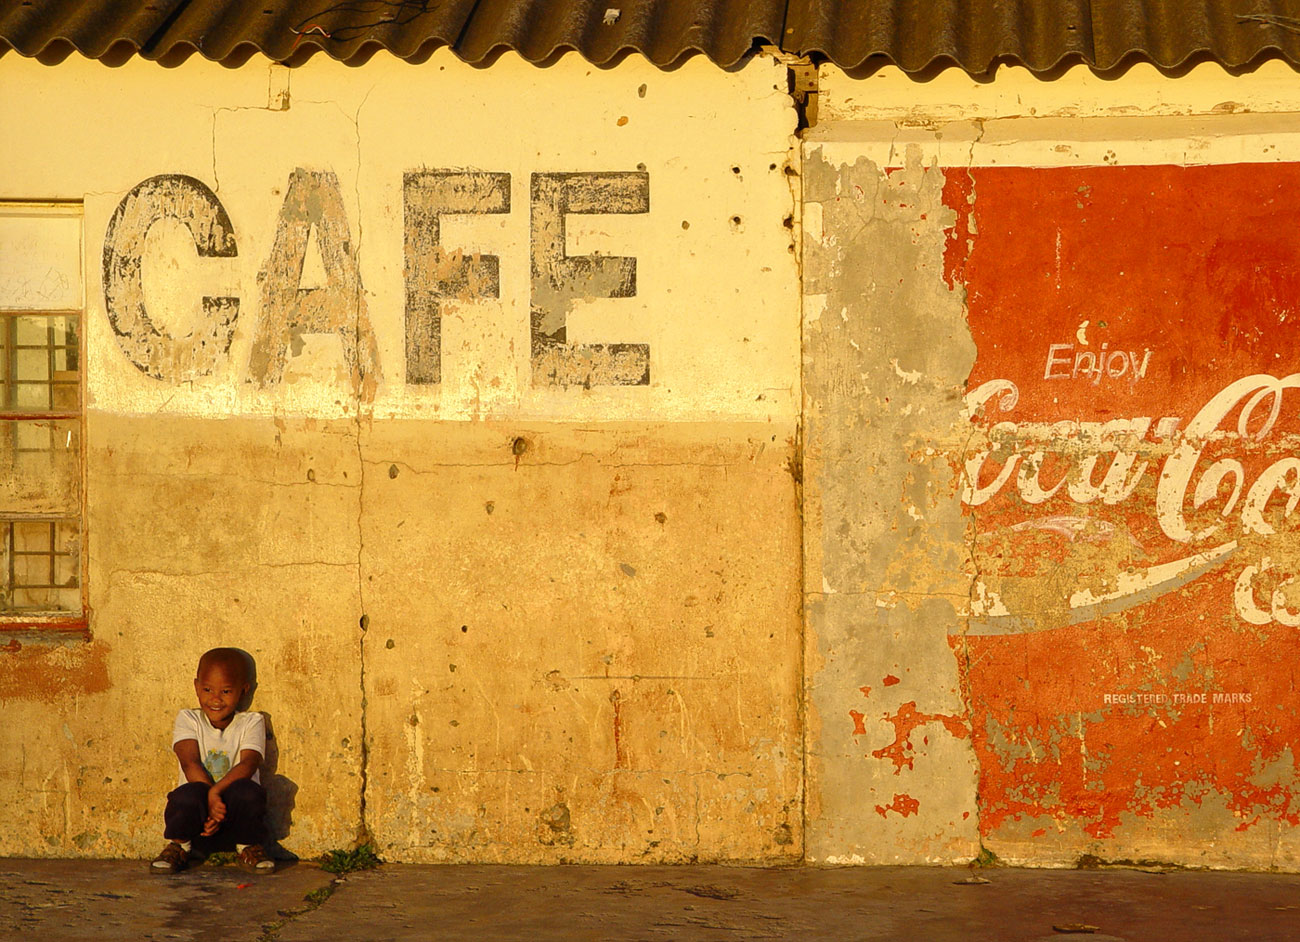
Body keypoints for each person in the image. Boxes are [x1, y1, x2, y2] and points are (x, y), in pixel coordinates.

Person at [150, 647, 275, 874]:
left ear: (243, 690)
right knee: (186, 795)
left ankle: (248, 847)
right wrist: (209, 800)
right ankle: (181, 845)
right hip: (199, 818)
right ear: (196, 687)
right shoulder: (188, 719)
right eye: (207, 689)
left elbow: (249, 763)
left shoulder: (251, 722)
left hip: (233, 815)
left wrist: (216, 794)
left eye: (226, 691)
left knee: (248, 792)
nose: (215, 699)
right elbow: (189, 763)